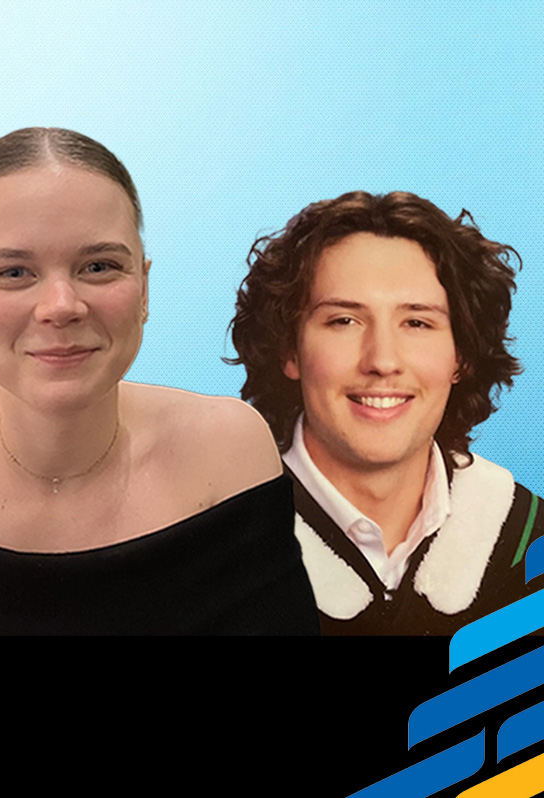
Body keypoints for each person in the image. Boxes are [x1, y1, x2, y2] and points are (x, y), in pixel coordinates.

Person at [0, 128, 319, 635]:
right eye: (14, 272)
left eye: (98, 267)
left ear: (144, 287)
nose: (61, 306)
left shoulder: (229, 457)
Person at [229, 191, 544, 635]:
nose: (382, 360)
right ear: (290, 351)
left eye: (417, 322)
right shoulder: (216, 548)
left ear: (461, 357)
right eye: (344, 320)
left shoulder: (530, 546)